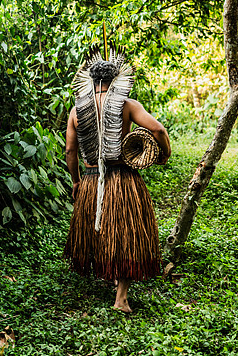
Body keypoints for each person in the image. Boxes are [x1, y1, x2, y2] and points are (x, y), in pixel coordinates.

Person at [62, 47, 171, 312]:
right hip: (123, 178)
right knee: (125, 235)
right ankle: (120, 297)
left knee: (103, 231)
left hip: (90, 179)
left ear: (92, 81)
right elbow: (157, 129)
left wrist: (76, 181)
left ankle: (112, 280)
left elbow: (70, 150)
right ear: (114, 81)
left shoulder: (77, 110)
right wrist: (164, 155)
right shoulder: (127, 105)